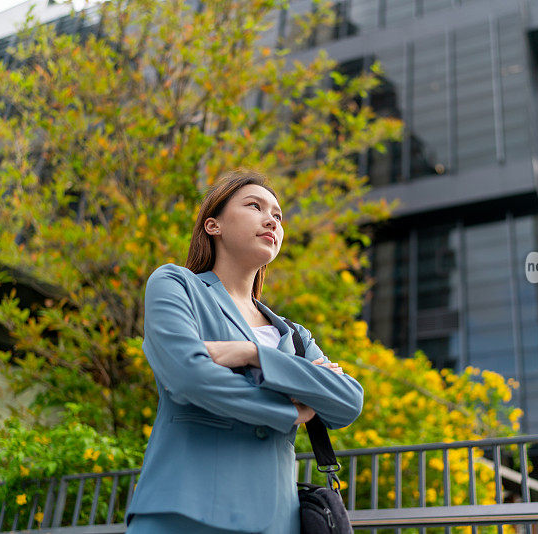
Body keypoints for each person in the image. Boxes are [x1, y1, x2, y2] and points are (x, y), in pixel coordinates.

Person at [124, 168, 365, 533]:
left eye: (278, 216)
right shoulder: (176, 285)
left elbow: (348, 400)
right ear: (213, 226)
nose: (271, 220)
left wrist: (254, 355)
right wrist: (289, 408)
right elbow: (189, 376)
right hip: (184, 513)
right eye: (255, 206)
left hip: (276, 522)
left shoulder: (294, 335)